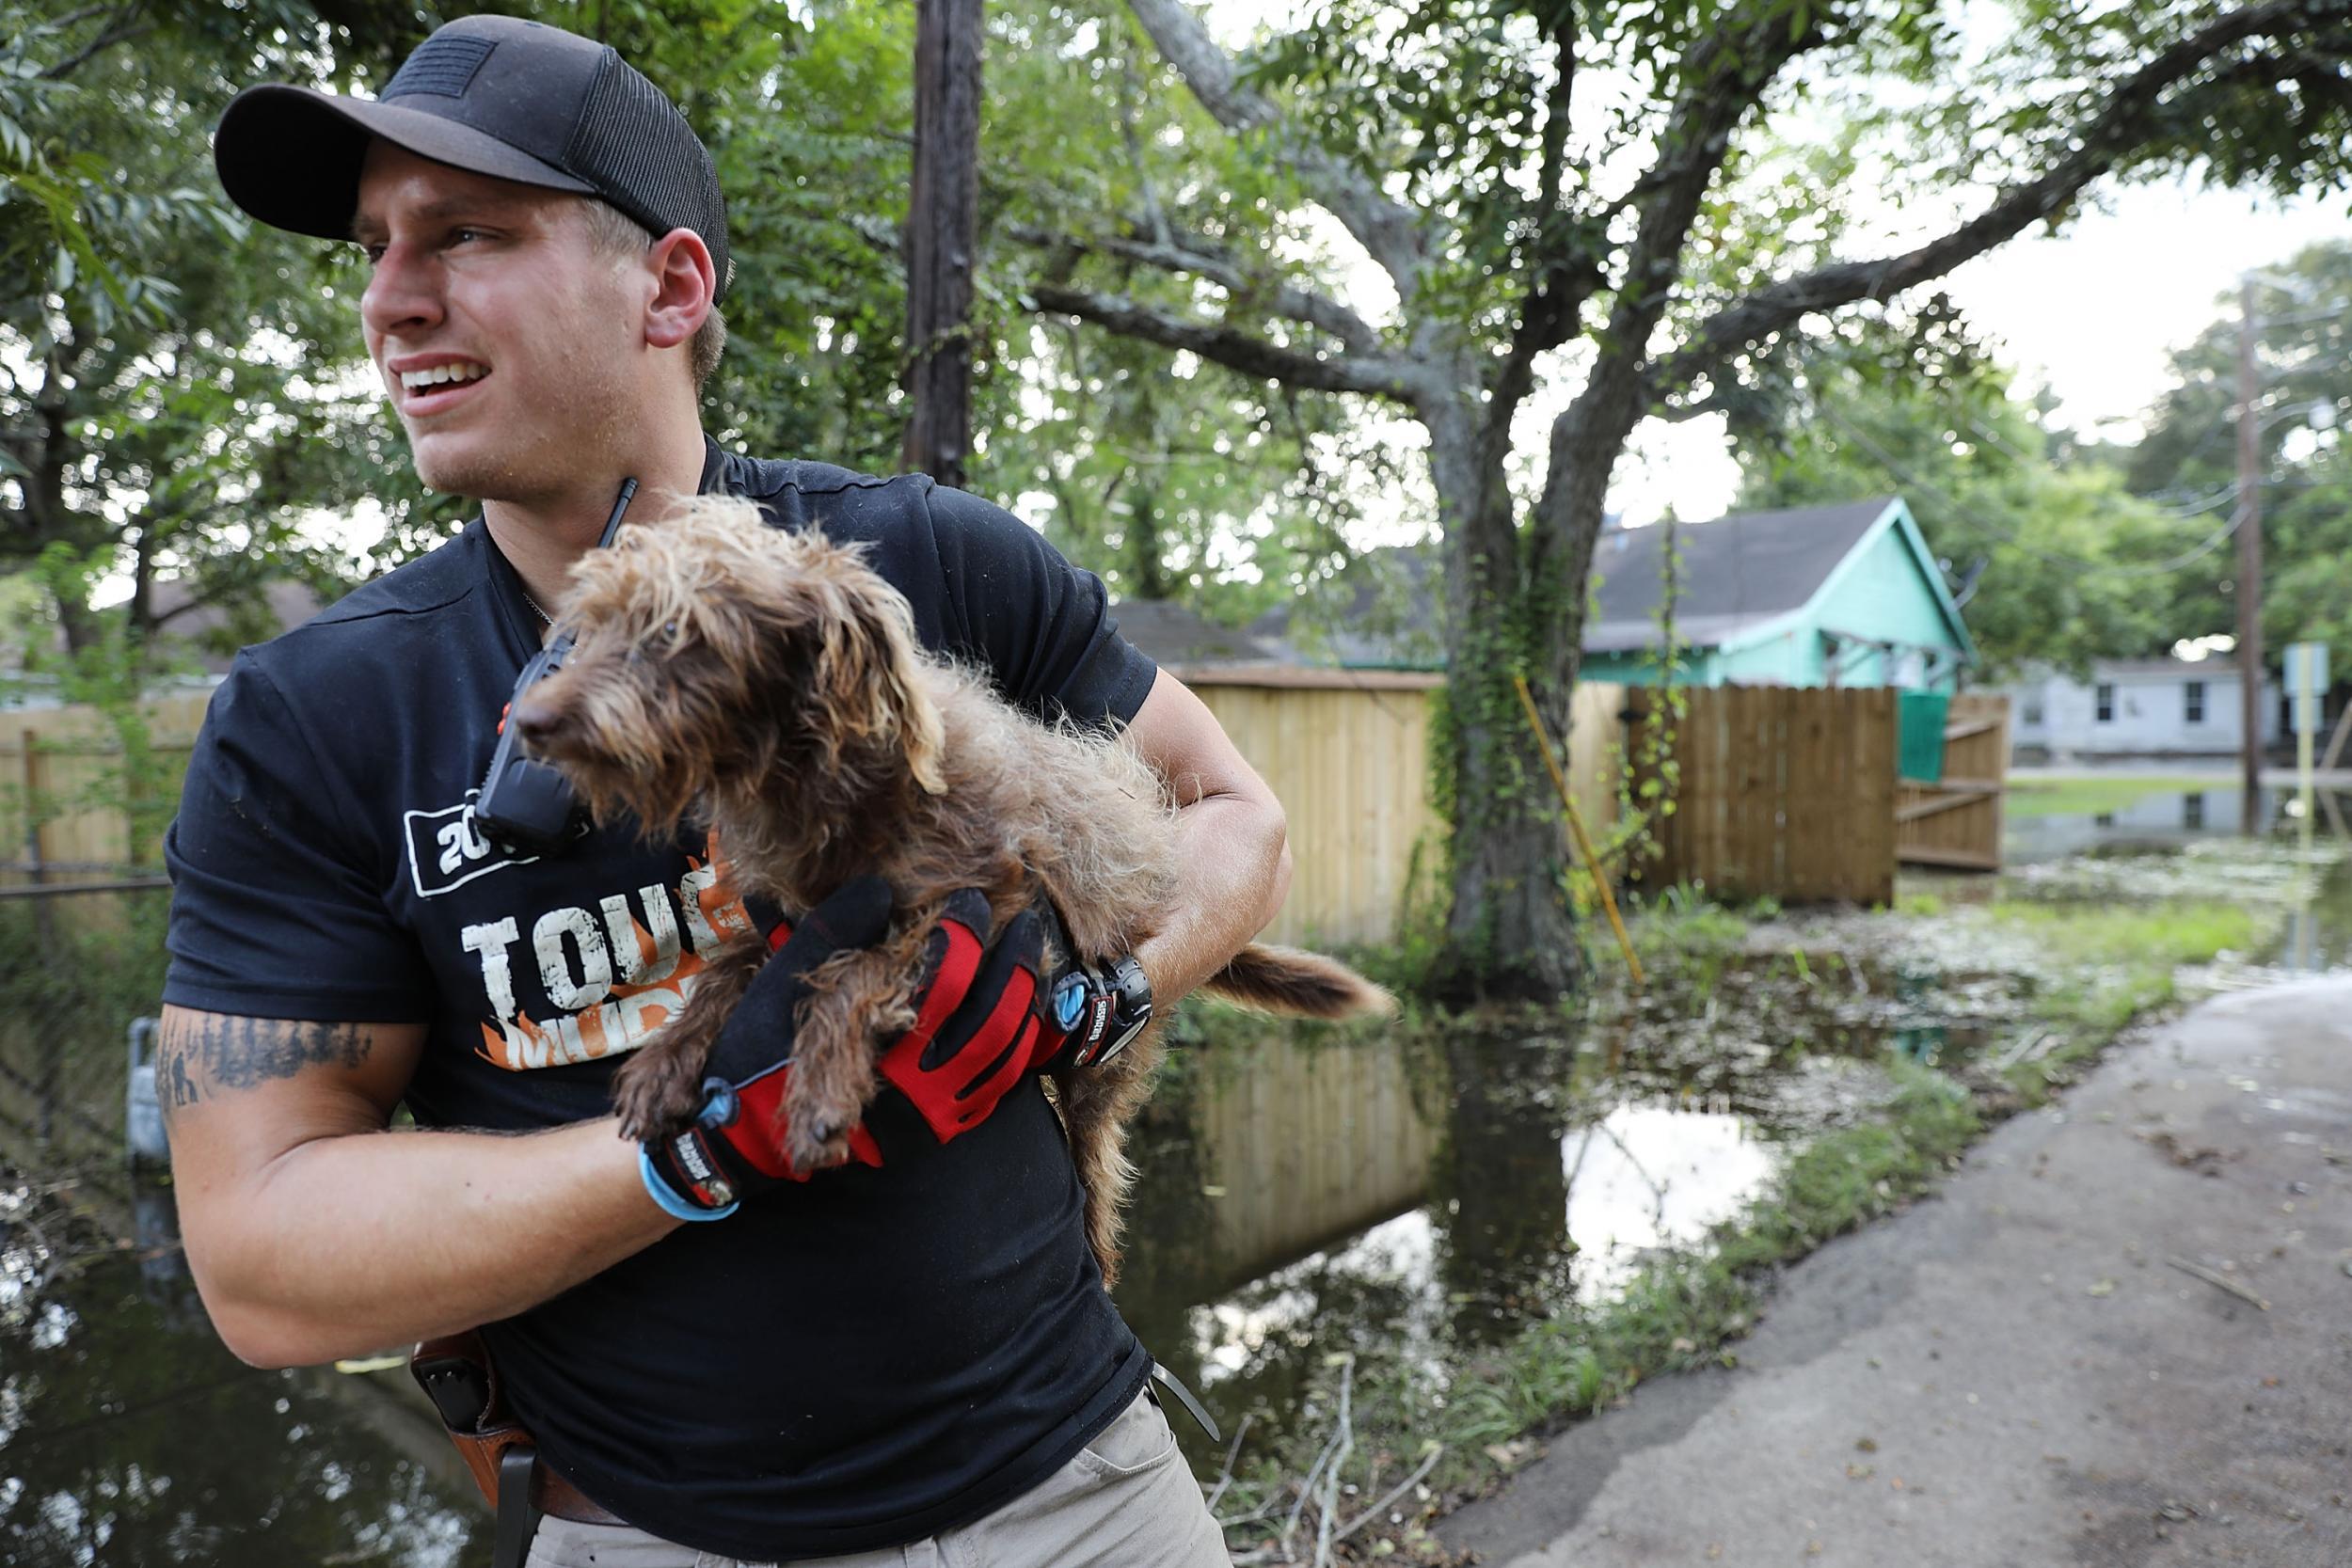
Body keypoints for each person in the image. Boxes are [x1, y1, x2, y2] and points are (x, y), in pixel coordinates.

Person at [160, 15, 1286, 1567]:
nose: (391, 297)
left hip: (1091, 1501)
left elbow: (1237, 816)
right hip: (653, 1538)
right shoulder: (314, 720)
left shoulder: (924, 566)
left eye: (467, 233)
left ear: (672, 287)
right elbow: (264, 1265)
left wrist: (1092, 995)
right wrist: (693, 1154)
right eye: (371, 247)